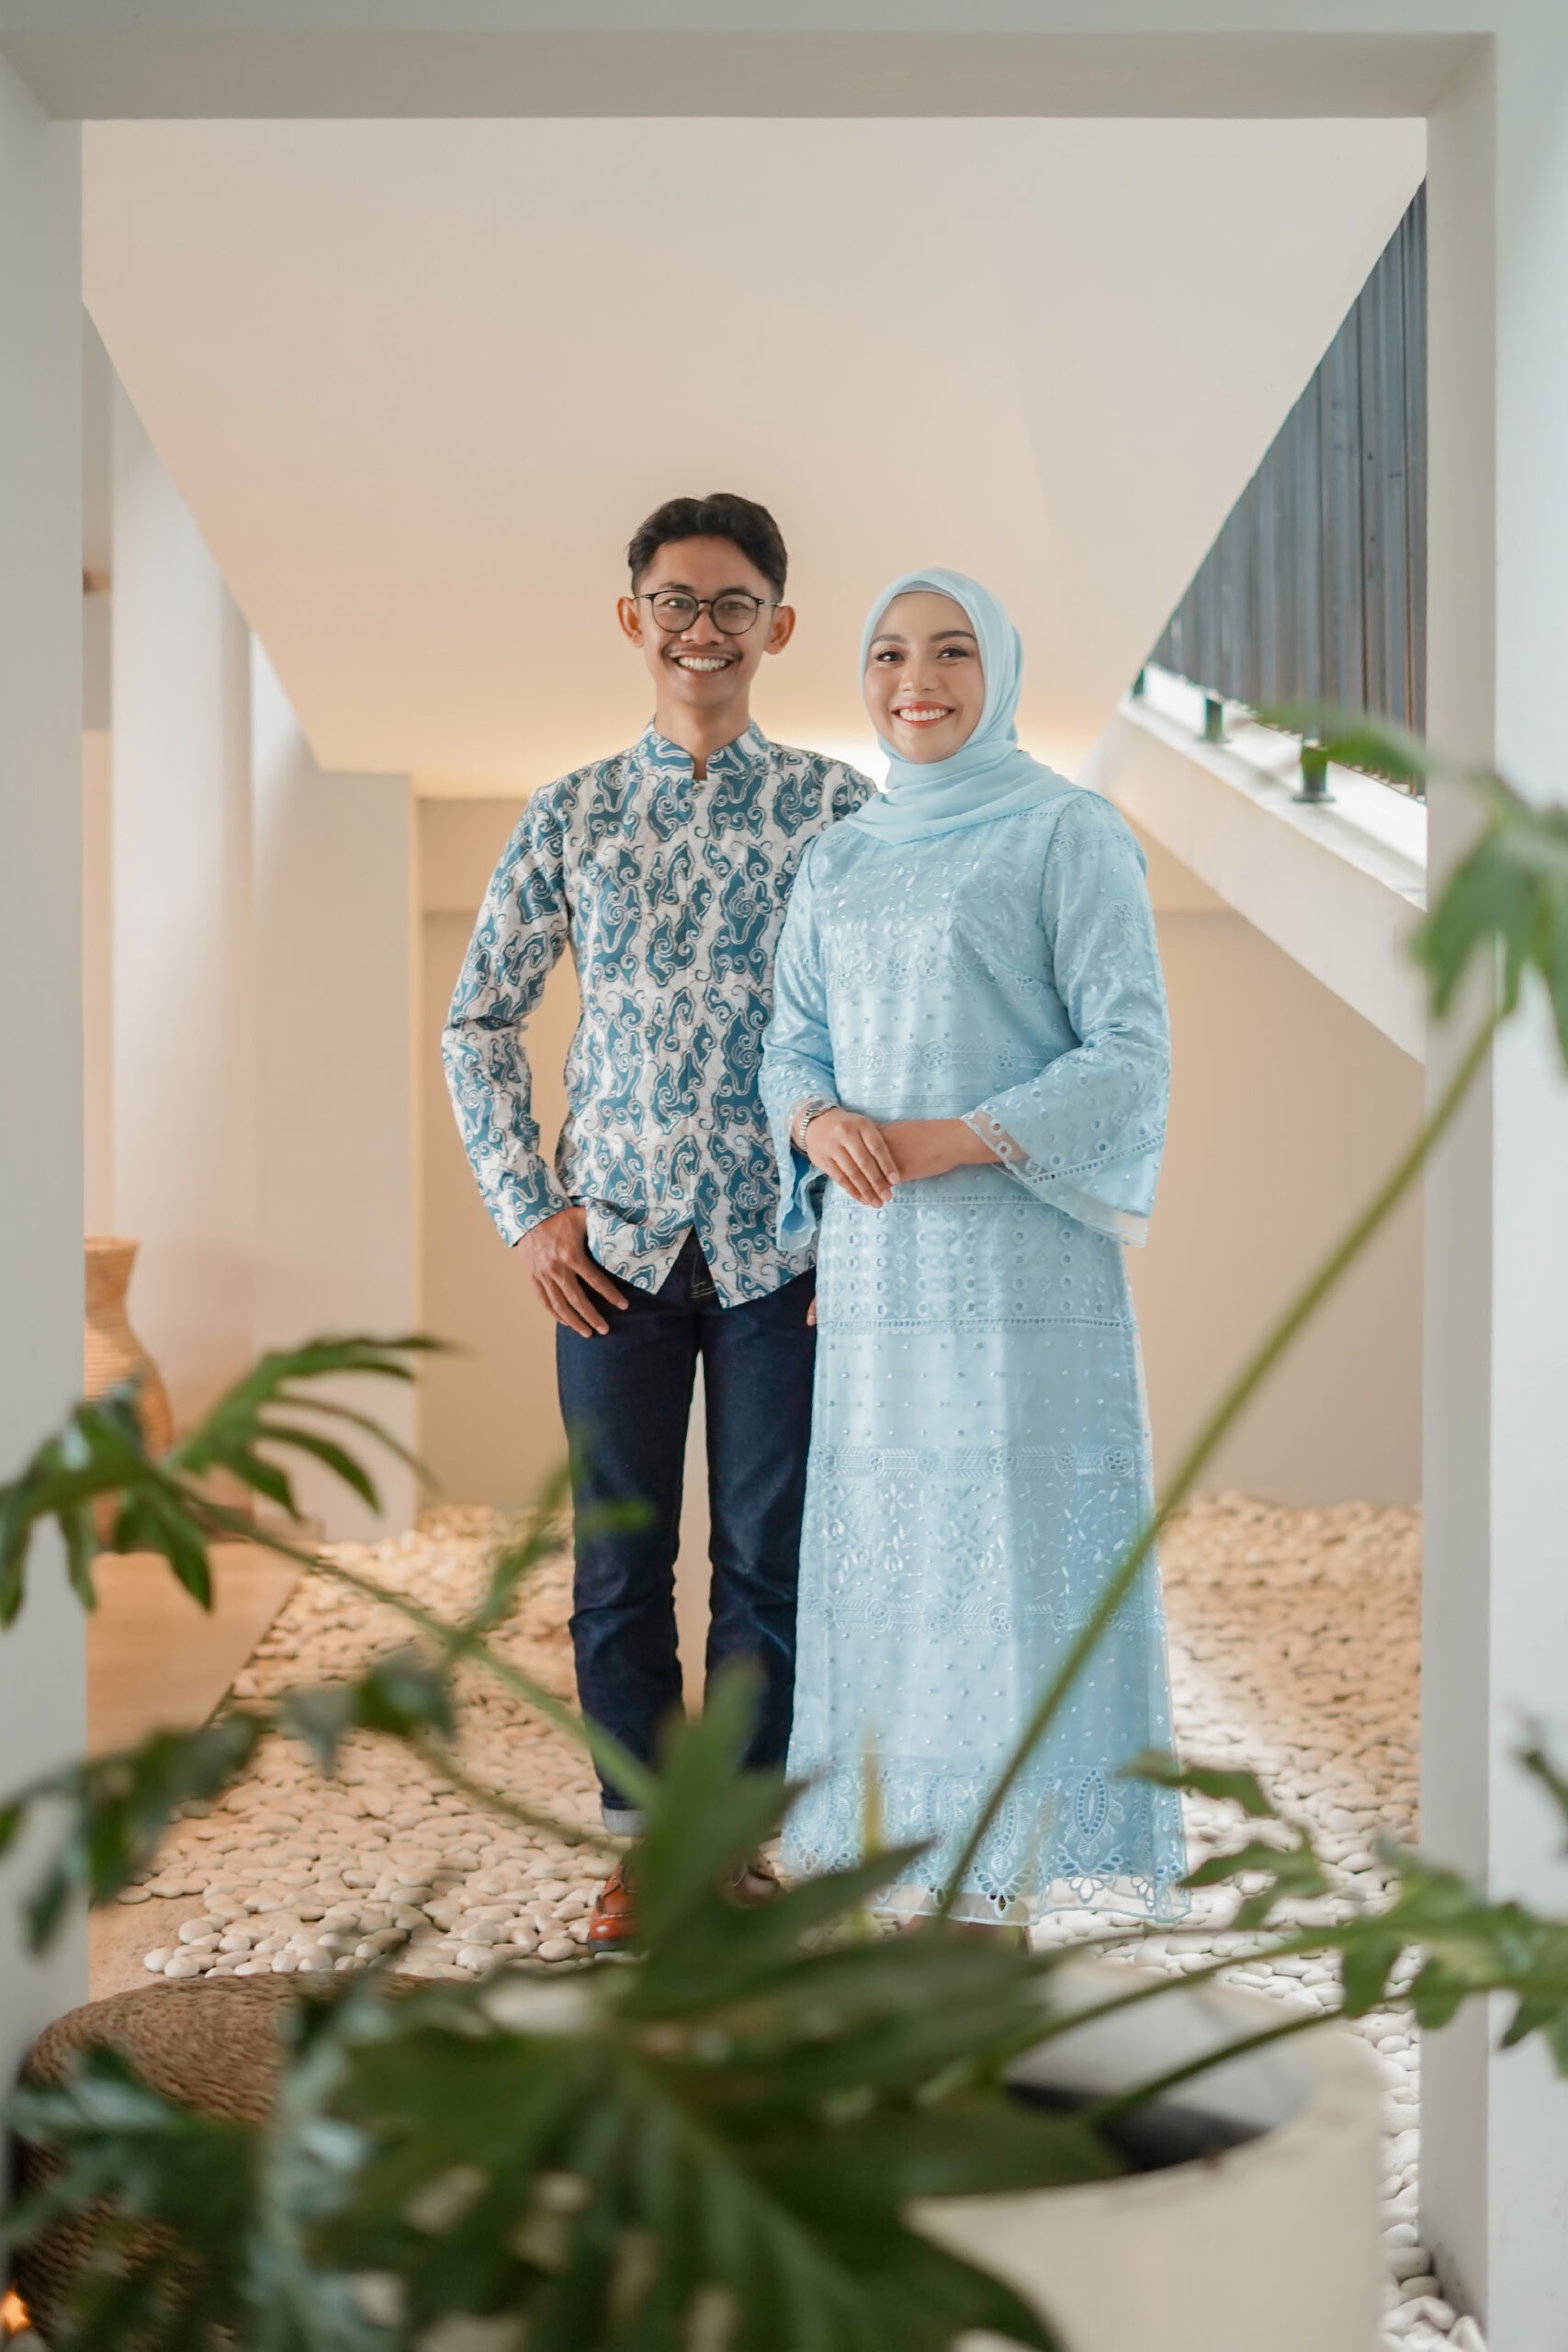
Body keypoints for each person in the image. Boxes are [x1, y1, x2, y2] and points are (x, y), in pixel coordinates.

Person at [444, 493, 873, 1947]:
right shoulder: (568, 812)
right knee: (619, 1567)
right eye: (677, 603)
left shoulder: (837, 811)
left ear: (777, 627)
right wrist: (529, 1211)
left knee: (767, 1559)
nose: (704, 630)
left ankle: (733, 1854)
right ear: (634, 619)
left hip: (785, 1253)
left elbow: (892, 1022)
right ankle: (640, 1852)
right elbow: (478, 1021)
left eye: (733, 605)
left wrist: (858, 1225)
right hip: (610, 1256)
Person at [759, 569, 1186, 1925]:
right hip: (880, 1271)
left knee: (1011, 1546)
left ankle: (1011, 1877)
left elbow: (1130, 1055)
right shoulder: (839, 858)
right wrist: (818, 1120)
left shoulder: (1068, 832)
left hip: (1021, 1263)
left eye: (949, 652)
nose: (916, 681)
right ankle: (902, 1866)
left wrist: (949, 1139)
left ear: (997, 673)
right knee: (893, 1557)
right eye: (888, 655)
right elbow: (790, 1046)